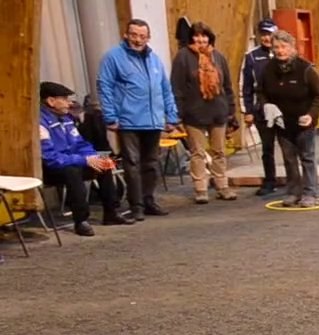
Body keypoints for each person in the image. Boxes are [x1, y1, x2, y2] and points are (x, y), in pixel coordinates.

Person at [96, 18, 178, 219]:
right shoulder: (113, 57)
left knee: (151, 163)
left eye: (142, 36)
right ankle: (137, 206)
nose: (138, 40)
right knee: (132, 163)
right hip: (128, 120)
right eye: (134, 35)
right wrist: (110, 116)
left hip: (153, 120)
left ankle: (149, 200)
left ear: (148, 37)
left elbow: (165, 89)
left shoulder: (154, 59)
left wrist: (171, 116)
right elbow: (104, 86)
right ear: (126, 35)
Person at [39, 81, 131, 236]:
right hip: (52, 168)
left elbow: (80, 143)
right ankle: (81, 220)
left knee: (103, 161)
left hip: (73, 160)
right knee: (72, 171)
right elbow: (50, 157)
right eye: (65, 99)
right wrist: (83, 160)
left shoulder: (67, 119)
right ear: (51, 101)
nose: (70, 103)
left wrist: (92, 156)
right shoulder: (40, 123)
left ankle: (111, 212)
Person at [254, 30, 319, 207]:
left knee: (307, 157)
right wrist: (265, 105)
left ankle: (310, 193)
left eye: (284, 47)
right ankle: (293, 191)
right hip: (281, 123)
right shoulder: (268, 69)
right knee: (289, 158)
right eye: (276, 47)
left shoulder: (306, 69)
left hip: (304, 122)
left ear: (292, 47)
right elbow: (261, 91)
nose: (280, 51)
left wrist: (311, 115)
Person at [171, 21, 237, 204]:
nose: (200, 39)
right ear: (191, 37)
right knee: (197, 153)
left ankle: (222, 185)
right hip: (194, 113)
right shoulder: (183, 57)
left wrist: (232, 111)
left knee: (219, 151)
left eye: (204, 36)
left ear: (210, 38)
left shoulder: (218, 57)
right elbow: (176, 87)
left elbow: (227, 86)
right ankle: (200, 188)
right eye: (197, 36)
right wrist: (177, 114)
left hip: (218, 110)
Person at [242, 19, 279, 195]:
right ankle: (270, 181)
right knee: (267, 148)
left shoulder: (283, 52)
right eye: (263, 34)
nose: (266, 38)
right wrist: (248, 110)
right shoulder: (251, 56)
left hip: (283, 108)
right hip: (262, 109)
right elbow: (247, 86)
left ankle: (295, 180)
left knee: (290, 146)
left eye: (269, 34)